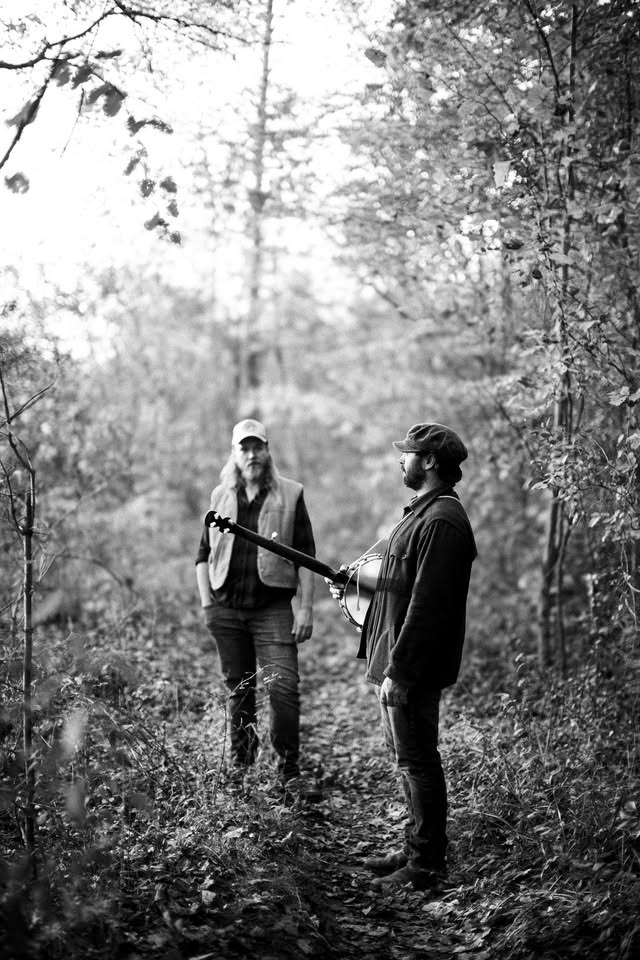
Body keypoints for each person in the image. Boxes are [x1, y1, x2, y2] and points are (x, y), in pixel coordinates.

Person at [334, 422, 477, 892]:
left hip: (411, 666)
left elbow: (428, 605)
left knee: (418, 760)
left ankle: (426, 864)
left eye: (408, 453)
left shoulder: (442, 521)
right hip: (394, 657)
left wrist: (401, 671)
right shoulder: (422, 513)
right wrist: (354, 587)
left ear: (429, 461)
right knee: (404, 758)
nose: (400, 459)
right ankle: (415, 846)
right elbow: (399, 587)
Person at [195, 418, 316, 796]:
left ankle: (290, 772)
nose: (251, 455)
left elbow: (307, 557)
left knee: (283, 688)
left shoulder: (291, 494)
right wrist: (207, 605)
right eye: (243, 448)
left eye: (257, 447)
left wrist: (306, 609)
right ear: (234, 454)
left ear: (267, 450)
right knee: (239, 690)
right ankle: (242, 768)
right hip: (226, 610)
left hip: (273, 610)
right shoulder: (220, 496)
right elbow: (202, 555)